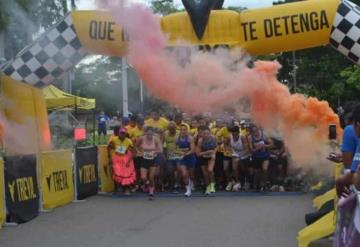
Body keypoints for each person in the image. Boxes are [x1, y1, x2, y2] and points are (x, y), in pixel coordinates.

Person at [137, 126, 163, 200]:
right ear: (145, 133)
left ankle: (151, 192)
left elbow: (160, 150)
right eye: (148, 134)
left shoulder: (156, 139)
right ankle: (148, 184)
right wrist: (140, 152)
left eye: (150, 134)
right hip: (144, 159)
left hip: (153, 159)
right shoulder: (142, 138)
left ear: (153, 134)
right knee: (143, 177)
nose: (149, 136)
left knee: (151, 177)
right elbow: (136, 146)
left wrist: (154, 152)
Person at [108, 128, 136, 195]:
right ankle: (118, 187)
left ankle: (127, 189)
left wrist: (129, 161)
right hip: (117, 158)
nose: (122, 135)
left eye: (123, 133)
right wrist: (109, 156)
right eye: (121, 133)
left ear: (125, 134)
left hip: (126, 158)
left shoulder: (128, 141)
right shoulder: (114, 139)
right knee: (116, 172)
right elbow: (109, 147)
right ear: (119, 133)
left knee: (126, 174)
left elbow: (134, 152)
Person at [226, 126, 251, 191]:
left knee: (243, 168)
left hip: (244, 154)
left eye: (235, 133)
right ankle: (238, 182)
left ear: (238, 132)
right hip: (235, 154)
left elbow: (247, 149)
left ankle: (247, 181)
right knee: (234, 168)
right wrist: (228, 149)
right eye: (232, 133)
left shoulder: (242, 138)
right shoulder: (229, 137)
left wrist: (240, 157)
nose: (233, 134)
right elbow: (225, 144)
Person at [248, 124, 272, 191]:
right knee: (257, 173)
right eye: (253, 131)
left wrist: (264, 145)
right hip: (256, 157)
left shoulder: (264, 135)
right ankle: (258, 184)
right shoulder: (250, 138)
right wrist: (257, 148)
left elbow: (271, 144)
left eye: (256, 130)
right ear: (251, 132)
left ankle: (265, 183)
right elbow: (251, 150)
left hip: (265, 156)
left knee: (265, 169)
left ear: (258, 130)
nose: (256, 133)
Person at [176, 124, 197, 197]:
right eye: (181, 129)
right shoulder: (177, 138)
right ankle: (188, 189)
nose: (183, 131)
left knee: (191, 175)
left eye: (184, 130)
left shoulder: (189, 138)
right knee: (184, 174)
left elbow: (193, 150)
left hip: (191, 158)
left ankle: (191, 182)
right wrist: (178, 153)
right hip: (182, 159)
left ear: (187, 130)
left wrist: (184, 154)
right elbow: (175, 149)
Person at [197, 127, 217, 195]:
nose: (206, 135)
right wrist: (207, 152)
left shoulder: (213, 138)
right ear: (202, 134)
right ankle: (207, 186)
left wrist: (213, 153)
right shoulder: (200, 141)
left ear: (210, 133)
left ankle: (212, 185)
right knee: (205, 174)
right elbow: (198, 154)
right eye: (204, 133)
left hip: (211, 157)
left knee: (210, 170)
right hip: (203, 157)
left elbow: (216, 147)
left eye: (207, 133)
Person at [164, 122, 180, 192]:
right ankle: (172, 184)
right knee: (170, 171)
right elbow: (162, 143)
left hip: (178, 154)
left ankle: (176, 184)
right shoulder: (165, 133)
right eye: (170, 129)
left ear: (175, 128)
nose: (172, 130)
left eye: (173, 129)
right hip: (169, 154)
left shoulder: (179, 133)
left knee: (179, 169)